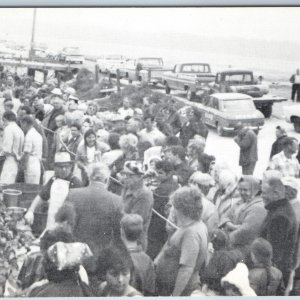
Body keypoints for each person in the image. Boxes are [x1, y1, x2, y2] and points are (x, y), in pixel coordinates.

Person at [58, 163, 123, 272]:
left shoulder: (73, 194)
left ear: (89, 178)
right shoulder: (116, 200)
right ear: (106, 180)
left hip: (74, 255)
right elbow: (118, 235)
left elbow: (62, 226)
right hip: (100, 259)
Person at [155, 186, 208, 296]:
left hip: (183, 290)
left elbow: (186, 269)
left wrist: (175, 296)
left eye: (173, 206)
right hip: (171, 287)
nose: (172, 210)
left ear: (181, 208)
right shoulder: (193, 225)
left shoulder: (191, 233)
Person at [24, 152, 82, 231]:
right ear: (55, 168)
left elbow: (78, 209)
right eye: (61, 167)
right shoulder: (53, 180)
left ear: (70, 166)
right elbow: (42, 196)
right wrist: (31, 210)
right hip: (51, 222)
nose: (64, 169)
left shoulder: (75, 182)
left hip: (66, 226)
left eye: (66, 166)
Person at [260, 172, 298, 285]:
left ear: (276, 193)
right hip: (279, 272)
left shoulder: (280, 216)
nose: (262, 196)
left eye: (264, 193)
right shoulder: (281, 209)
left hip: (274, 275)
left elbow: (274, 253)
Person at [221, 176, 267, 250]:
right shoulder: (241, 201)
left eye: (245, 190)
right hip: (233, 245)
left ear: (254, 190)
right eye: (240, 189)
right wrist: (233, 226)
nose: (242, 193)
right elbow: (224, 216)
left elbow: (244, 231)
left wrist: (224, 239)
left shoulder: (258, 207)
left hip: (245, 249)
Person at [147, 160, 179, 259]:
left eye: (160, 173)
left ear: (169, 174)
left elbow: (153, 206)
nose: (157, 175)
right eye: (156, 172)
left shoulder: (163, 189)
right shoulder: (174, 184)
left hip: (158, 223)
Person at [120, 161, 153, 251]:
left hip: (135, 243)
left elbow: (135, 221)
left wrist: (116, 212)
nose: (125, 178)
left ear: (140, 177)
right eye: (124, 175)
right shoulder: (127, 187)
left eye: (129, 176)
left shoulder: (144, 194)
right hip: (122, 238)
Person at [120, 214, 156, 296]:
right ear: (140, 234)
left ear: (122, 232)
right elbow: (151, 289)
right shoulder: (147, 259)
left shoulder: (119, 257)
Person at [0, 111, 24, 184]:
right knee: (10, 183)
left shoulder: (8, 129)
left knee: (5, 184)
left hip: (9, 159)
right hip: (17, 160)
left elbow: (6, 149)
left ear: (4, 119)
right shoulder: (19, 129)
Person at [20, 116, 43, 184]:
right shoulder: (37, 134)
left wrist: (23, 167)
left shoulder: (29, 136)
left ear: (25, 123)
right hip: (37, 163)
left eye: (21, 125)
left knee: (29, 185)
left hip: (31, 163)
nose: (21, 127)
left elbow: (27, 153)